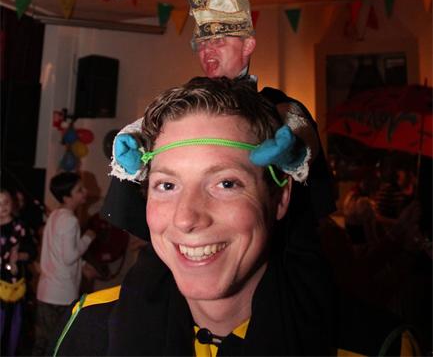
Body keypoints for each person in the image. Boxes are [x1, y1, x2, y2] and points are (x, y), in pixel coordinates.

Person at [52, 78, 418, 356]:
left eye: (226, 183)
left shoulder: (377, 346)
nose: (186, 218)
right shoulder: (89, 327)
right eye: (167, 185)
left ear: (280, 198)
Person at [102, 0, 335, 242]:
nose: (208, 50)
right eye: (202, 43)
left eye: (220, 41)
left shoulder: (277, 106)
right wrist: (131, 145)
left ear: (248, 45)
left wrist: (293, 152)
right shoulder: (184, 104)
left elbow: (299, 128)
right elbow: (144, 131)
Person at [32, 173, 96, 356]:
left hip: (47, 291)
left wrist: (83, 264)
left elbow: (58, 253)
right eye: (79, 190)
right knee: (57, 347)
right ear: (67, 197)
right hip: (61, 295)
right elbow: (68, 256)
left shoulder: (55, 215)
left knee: (42, 345)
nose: (85, 192)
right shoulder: (70, 220)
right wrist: (88, 238)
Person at [0, 188, 37, 356]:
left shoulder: (19, 226)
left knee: (13, 325)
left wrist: (19, 255)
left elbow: (31, 250)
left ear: (12, 203)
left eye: (6, 202)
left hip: (14, 284)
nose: (3, 207)